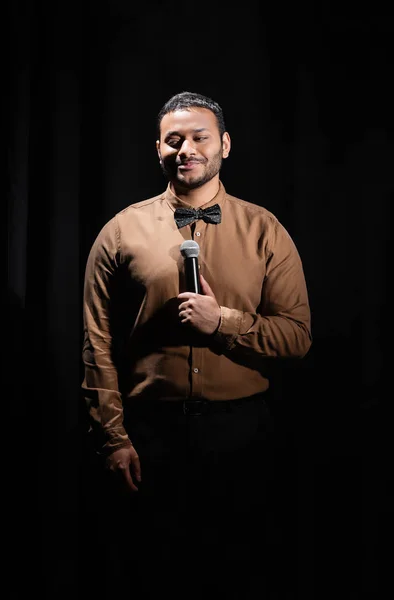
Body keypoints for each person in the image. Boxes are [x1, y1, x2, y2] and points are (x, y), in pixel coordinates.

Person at [80, 91, 312, 598]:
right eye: (173, 139)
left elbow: (297, 338)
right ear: (158, 149)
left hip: (243, 435)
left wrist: (222, 322)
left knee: (239, 575)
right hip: (149, 435)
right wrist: (114, 438)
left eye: (199, 137)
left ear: (225, 145)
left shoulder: (265, 230)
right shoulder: (120, 231)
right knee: (149, 574)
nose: (186, 149)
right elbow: (97, 343)